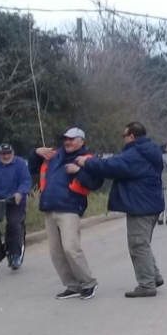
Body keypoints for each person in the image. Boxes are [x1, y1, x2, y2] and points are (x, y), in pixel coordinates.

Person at [76, 121, 165, 298]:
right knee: (142, 243)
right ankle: (153, 276)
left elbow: (111, 166)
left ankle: (147, 284)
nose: (123, 139)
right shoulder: (148, 150)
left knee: (137, 244)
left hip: (141, 206)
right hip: (150, 204)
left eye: (124, 135)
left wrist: (87, 162)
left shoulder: (136, 153)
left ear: (132, 136)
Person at [32, 128, 104, 299]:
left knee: (71, 248)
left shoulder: (88, 159)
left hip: (70, 208)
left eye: (72, 139)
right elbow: (32, 166)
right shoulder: (54, 155)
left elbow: (95, 183)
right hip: (49, 206)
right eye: (66, 139)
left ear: (82, 141)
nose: (68, 142)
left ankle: (88, 283)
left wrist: (78, 171)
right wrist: (35, 152)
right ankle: (72, 285)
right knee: (55, 252)